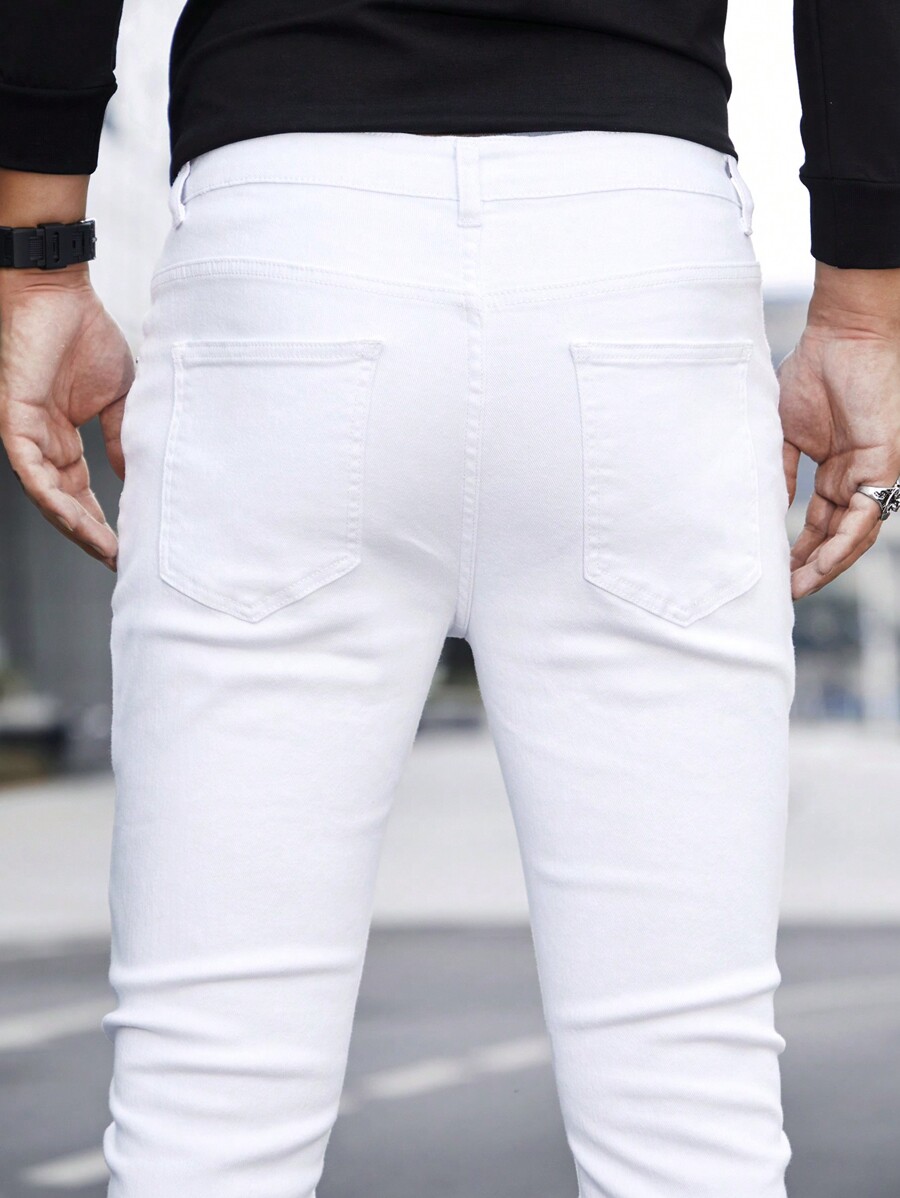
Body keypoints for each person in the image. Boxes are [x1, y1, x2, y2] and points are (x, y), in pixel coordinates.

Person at [1, 2, 898, 1195]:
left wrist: (38, 255)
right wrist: (866, 302)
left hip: (288, 244)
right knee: (691, 1111)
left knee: (206, 1111)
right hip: (637, 258)